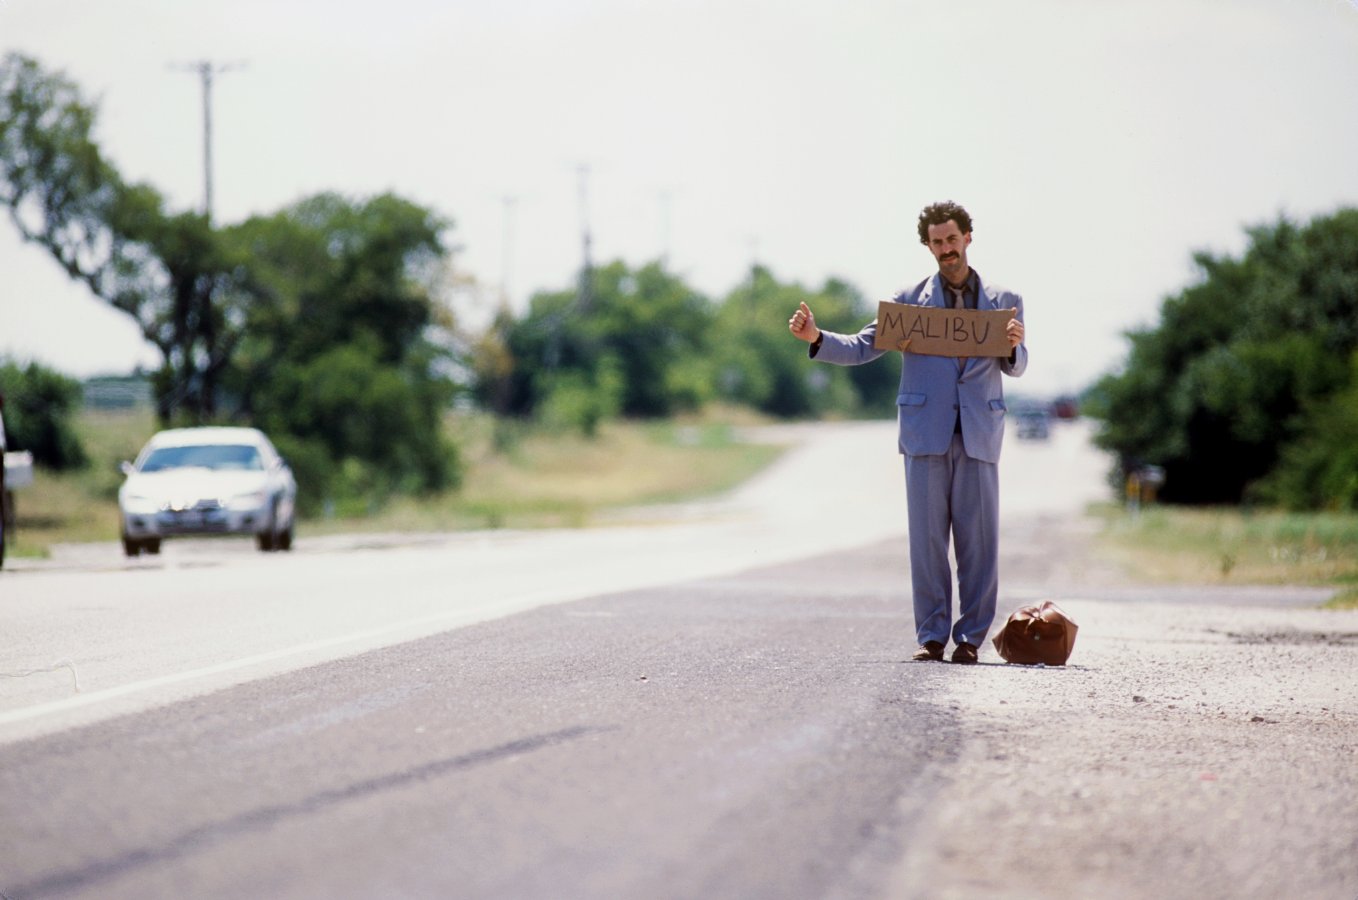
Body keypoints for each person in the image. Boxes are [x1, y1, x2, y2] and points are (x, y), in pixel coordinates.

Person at [788, 201, 1026, 664]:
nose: (946, 250)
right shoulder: (907, 302)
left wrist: (1014, 348)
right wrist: (817, 337)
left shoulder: (1005, 300)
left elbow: (1017, 365)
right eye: (937, 242)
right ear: (928, 245)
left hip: (978, 431)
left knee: (979, 542)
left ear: (968, 238)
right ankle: (932, 635)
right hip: (924, 433)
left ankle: (971, 639)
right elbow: (862, 347)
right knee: (926, 540)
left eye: (952, 240)